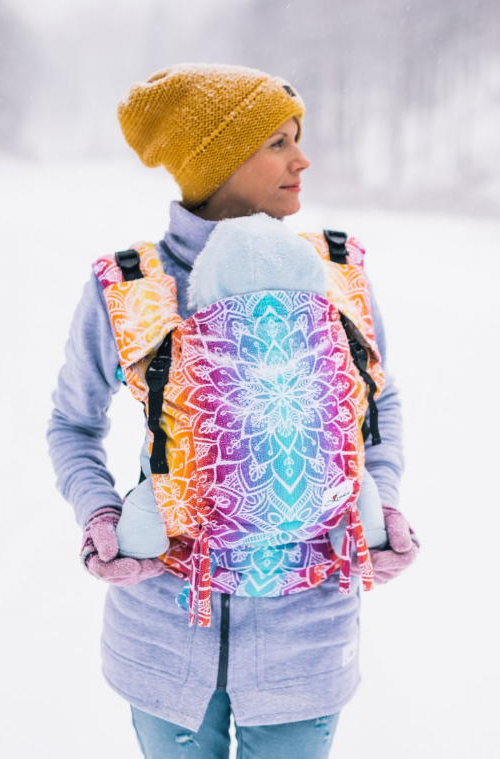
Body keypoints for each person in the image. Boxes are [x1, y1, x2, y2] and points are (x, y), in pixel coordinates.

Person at [48, 63, 419, 759]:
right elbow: (73, 424)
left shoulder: (335, 271)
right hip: (163, 637)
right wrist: (101, 515)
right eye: (278, 142)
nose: (302, 160)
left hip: (306, 644)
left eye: (297, 139)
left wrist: (385, 500)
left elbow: (379, 401)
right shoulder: (132, 287)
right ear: (215, 160)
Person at [115, 212, 388, 563]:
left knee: (161, 460)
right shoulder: (338, 310)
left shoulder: (151, 312)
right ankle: (360, 530)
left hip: (205, 529)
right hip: (329, 504)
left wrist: (106, 523)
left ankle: (141, 541)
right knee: (355, 479)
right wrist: (386, 507)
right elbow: (373, 395)